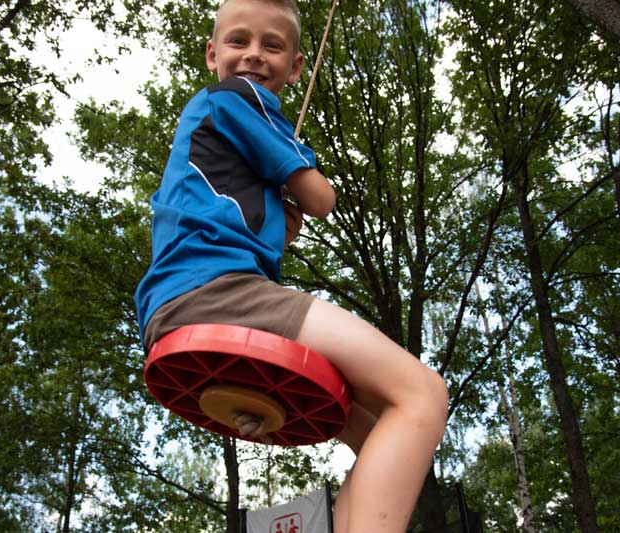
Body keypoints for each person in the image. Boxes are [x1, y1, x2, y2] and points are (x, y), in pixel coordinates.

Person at [134, 1, 449, 531]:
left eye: (272, 45)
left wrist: (281, 211)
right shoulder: (236, 97)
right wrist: (300, 176)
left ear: (296, 65)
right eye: (239, 42)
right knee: (422, 393)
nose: (254, 55)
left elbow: (271, 219)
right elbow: (321, 198)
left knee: (376, 435)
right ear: (213, 54)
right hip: (218, 292)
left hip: (177, 304)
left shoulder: (213, 130)